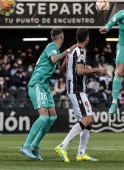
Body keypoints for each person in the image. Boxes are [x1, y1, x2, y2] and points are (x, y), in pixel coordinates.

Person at [19, 28, 77, 160]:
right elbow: (53, 59)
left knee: (52, 117)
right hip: (37, 83)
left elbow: (57, 71)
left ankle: (34, 146)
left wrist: (64, 64)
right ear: (61, 37)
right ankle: (26, 146)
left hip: (44, 85)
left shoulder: (55, 50)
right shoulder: (52, 46)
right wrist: (69, 50)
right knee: (44, 116)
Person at [55, 28, 107, 162]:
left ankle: (81, 153)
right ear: (87, 38)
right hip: (77, 89)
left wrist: (66, 64)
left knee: (88, 121)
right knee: (87, 119)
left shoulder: (71, 51)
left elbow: (60, 71)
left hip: (74, 88)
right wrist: (98, 70)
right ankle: (63, 145)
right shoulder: (81, 51)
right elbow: (79, 71)